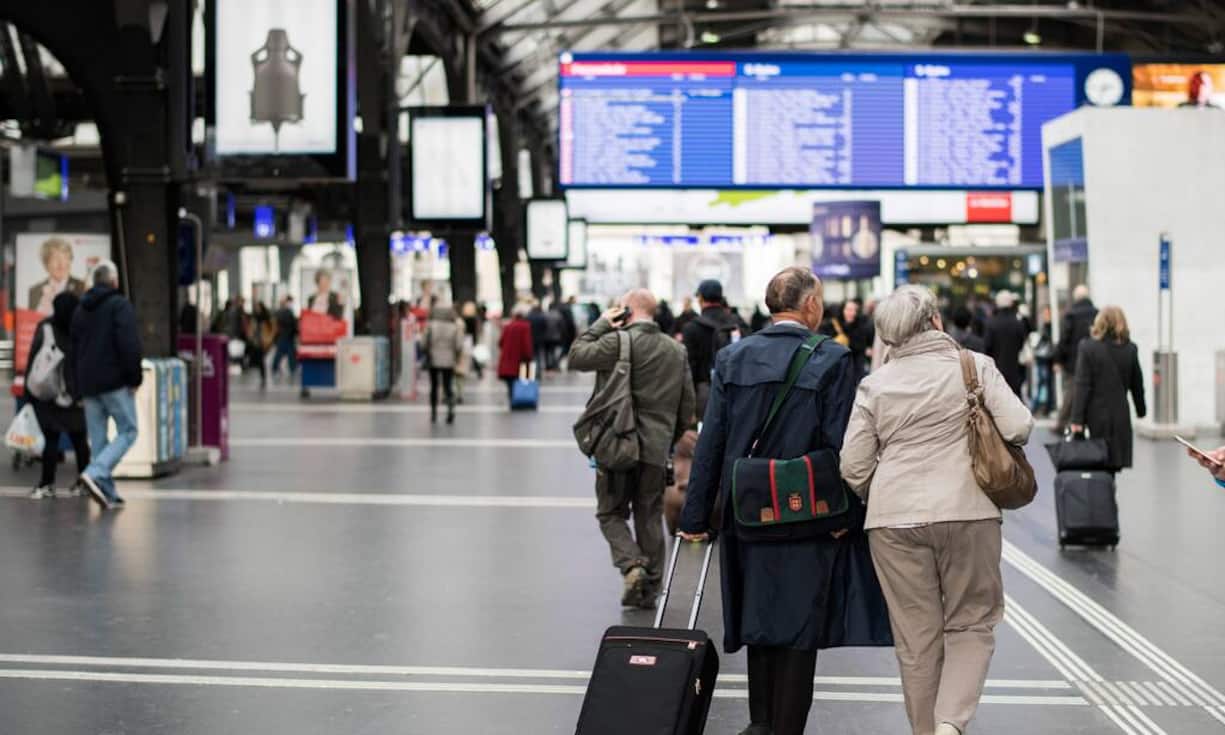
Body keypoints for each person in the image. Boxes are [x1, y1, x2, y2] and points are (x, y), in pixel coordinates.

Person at [679, 267, 870, 735]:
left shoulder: (733, 357)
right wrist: (849, 511)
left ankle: (760, 721)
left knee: (758, 616)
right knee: (799, 626)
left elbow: (713, 442)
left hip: (745, 511)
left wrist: (696, 515)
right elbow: (844, 443)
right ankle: (785, 727)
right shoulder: (832, 360)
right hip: (808, 513)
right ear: (808, 306)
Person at [841, 285, 1033, 735]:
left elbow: (853, 465)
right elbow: (1019, 425)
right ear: (935, 322)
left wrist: (884, 490)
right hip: (969, 511)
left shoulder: (875, 384)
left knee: (916, 638)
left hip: (892, 520)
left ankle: (926, 731)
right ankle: (950, 724)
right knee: (971, 622)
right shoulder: (975, 367)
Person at [570, 289, 695, 609]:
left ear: (625, 310)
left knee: (610, 512)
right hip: (656, 448)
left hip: (616, 443)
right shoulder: (676, 350)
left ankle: (632, 565)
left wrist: (600, 324)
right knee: (649, 515)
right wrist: (669, 436)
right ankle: (649, 589)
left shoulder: (617, 341)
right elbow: (686, 407)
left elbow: (577, 356)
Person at [71, 260, 143, 510]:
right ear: (114, 282)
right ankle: (96, 472)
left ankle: (107, 492)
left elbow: (74, 350)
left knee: (99, 440)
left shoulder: (81, 309)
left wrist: (76, 387)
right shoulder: (119, 305)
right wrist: (134, 378)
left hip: (88, 384)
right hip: (114, 381)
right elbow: (129, 343)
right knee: (129, 431)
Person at [25, 292, 90, 499]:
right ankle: (84, 482)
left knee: (51, 440)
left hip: (50, 392)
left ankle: (47, 484)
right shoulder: (82, 328)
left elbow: (34, 358)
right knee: (80, 441)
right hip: (75, 393)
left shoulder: (46, 328)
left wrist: (29, 391)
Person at [1069, 306, 1147, 472]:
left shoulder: (1088, 347)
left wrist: (1077, 420)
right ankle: (1108, 494)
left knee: (1097, 462)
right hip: (1120, 417)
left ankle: (1102, 495)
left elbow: (1082, 385)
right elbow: (1137, 385)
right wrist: (1141, 410)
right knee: (1113, 465)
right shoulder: (1130, 349)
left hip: (1095, 417)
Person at [682, 280, 738, 419]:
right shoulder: (737, 324)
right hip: (736, 393)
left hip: (705, 395)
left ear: (700, 299)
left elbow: (690, 367)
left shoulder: (691, 328)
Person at [1054, 285, 1098, 433]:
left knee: (1071, 393)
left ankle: (1063, 423)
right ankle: (1085, 424)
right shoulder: (1097, 314)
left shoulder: (1070, 315)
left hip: (1073, 361)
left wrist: (1058, 360)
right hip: (1094, 361)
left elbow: (1064, 339)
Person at [424, 300, 465, 424]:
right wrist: (456, 356)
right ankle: (450, 410)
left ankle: (434, 412)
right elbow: (458, 345)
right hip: (449, 360)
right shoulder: (454, 327)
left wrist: (428, 351)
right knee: (448, 386)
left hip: (433, 359)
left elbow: (423, 342)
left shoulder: (430, 325)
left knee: (434, 386)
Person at [983, 291, 1029, 397]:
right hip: (1014, 370)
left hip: (996, 371)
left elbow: (987, 347)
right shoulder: (1018, 323)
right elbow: (1021, 343)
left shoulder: (991, 324)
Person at [28, 237, 86, 314]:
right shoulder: (34, 291)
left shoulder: (82, 287)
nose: (61, 264)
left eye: (65, 258)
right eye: (55, 258)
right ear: (46, 263)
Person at [821, 299, 874, 384]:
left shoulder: (861, 325)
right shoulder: (831, 325)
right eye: (849, 310)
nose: (852, 313)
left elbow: (862, 345)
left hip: (855, 368)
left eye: (854, 310)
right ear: (842, 310)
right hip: (837, 367)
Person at [497, 304, 535, 405]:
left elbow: (500, 342)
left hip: (507, 359)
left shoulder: (508, 326)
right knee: (520, 380)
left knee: (510, 381)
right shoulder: (525, 326)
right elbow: (526, 344)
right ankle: (518, 399)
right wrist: (529, 356)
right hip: (520, 360)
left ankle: (512, 398)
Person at [249, 302, 275, 388]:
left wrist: (269, 339)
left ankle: (263, 377)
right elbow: (252, 329)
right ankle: (262, 376)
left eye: (258, 307)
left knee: (261, 360)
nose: (257, 309)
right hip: (257, 341)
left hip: (264, 342)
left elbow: (272, 330)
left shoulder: (266, 318)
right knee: (260, 360)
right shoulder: (254, 318)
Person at [272, 296, 298, 377]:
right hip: (287, 335)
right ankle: (292, 369)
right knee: (290, 353)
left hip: (282, 335)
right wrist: (296, 332)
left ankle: (275, 368)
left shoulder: (278, 312)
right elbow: (292, 324)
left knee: (281, 353)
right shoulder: (287, 312)